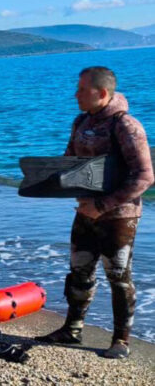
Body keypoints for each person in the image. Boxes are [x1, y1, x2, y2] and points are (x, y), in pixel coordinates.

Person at [35, 66, 153, 359]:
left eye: (81, 89)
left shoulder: (126, 125)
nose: (75, 94)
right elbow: (68, 162)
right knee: (79, 270)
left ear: (101, 93)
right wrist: (43, 179)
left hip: (119, 216)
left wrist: (101, 205)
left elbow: (144, 176)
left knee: (118, 277)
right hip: (85, 211)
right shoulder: (81, 122)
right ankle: (72, 329)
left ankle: (121, 341)